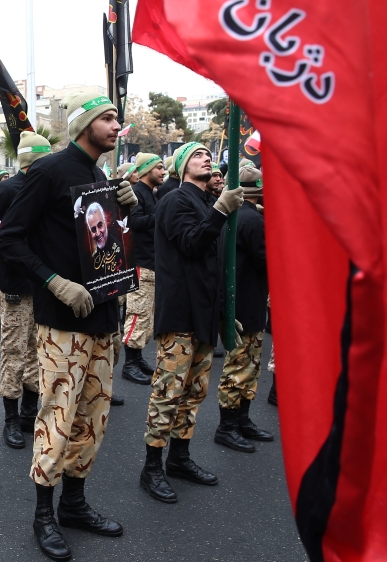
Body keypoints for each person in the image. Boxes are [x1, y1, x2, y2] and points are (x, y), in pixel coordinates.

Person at [0, 93, 138, 561]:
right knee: (57, 413)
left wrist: (129, 211)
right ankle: (43, 513)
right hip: (62, 322)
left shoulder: (98, 175)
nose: (118, 126)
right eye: (109, 118)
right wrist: (54, 283)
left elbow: (103, 248)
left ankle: (74, 504)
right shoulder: (50, 171)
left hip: (102, 318)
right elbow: (7, 239)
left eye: (118, 118)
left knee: (92, 417)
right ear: (84, 123)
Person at [139, 142, 244, 504]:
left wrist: (224, 314)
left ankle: (179, 458)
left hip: (203, 315)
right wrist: (219, 212)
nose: (206, 158)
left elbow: (213, 268)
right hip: (180, 313)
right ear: (182, 166)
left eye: (207, 154)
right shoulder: (175, 200)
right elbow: (191, 244)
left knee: (194, 392)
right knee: (169, 392)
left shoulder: (203, 201)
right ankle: (152, 467)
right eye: (197, 154)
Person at [0, 131, 51, 450]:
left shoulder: (50, 187)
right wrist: (6, 274)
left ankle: (28, 414)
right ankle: (11, 419)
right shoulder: (6, 190)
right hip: (16, 288)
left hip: (46, 285)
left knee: (39, 350)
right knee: (14, 352)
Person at [215, 163, 273, 452]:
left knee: (246, 364)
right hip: (248, 301)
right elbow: (268, 261)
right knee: (241, 365)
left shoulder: (233, 216)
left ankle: (242, 420)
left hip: (239, 299)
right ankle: (227, 426)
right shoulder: (253, 221)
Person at [121, 153, 164, 385]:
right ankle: (129, 364)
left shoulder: (151, 194)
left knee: (146, 316)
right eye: (159, 167)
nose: (163, 171)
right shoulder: (137, 192)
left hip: (151, 263)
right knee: (137, 314)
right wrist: (161, 216)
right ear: (146, 170)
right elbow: (134, 223)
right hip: (141, 264)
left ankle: (137, 359)